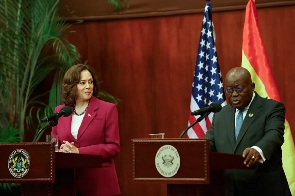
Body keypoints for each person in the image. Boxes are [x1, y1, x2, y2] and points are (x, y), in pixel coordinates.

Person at [205, 67, 291, 196]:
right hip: (229, 189)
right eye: (229, 90)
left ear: (252, 86)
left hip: (264, 188)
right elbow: (210, 142)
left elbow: (274, 135)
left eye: (239, 88)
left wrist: (258, 149)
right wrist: (196, 150)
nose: (234, 94)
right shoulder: (221, 114)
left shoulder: (271, 108)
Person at [51, 64, 121, 196]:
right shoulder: (60, 112)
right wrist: (61, 151)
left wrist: (79, 151)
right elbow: (54, 145)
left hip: (99, 184)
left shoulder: (107, 109)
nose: (88, 86)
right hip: (68, 184)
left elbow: (114, 147)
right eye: (82, 83)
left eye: (90, 82)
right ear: (72, 86)